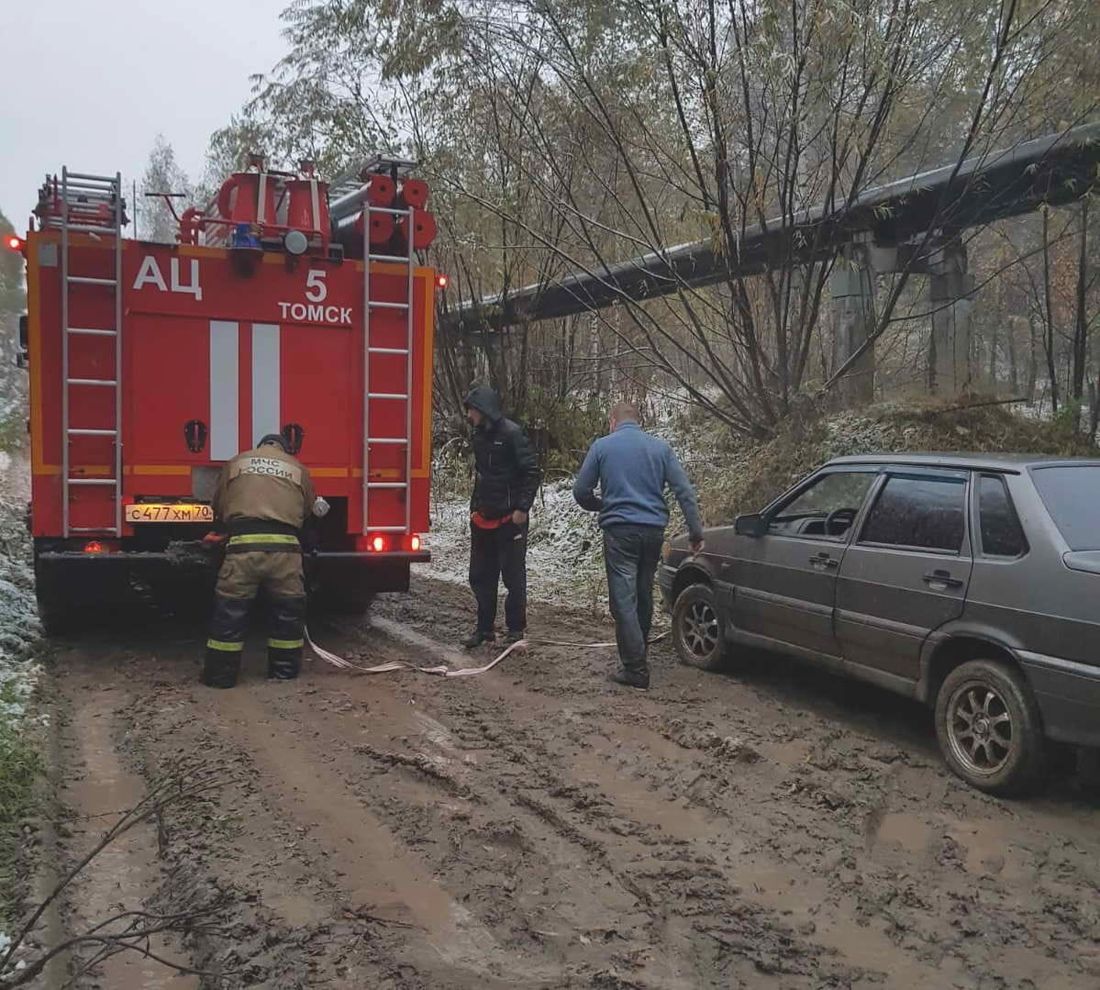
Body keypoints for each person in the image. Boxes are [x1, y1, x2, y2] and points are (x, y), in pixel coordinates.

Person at [573, 402, 704, 689]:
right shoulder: (660, 449)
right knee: (642, 592)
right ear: (639, 421)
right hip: (653, 531)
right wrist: (695, 531)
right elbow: (684, 490)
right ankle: (638, 653)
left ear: (612, 421)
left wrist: (602, 505)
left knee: (623, 599)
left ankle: (635, 668)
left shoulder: (602, 447)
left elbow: (581, 491)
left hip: (620, 531)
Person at [201, 434, 317, 688]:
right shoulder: (297, 467)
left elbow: (219, 504)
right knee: (287, 614)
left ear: (260, 446)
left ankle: (220, 677)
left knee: (230, 613)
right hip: (285, 554)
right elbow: (307, 509)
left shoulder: (237, 462)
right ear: (284, 449)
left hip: (243, 550)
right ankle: (283, 673)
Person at [462, 386, 542, 648]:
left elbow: (531, 471)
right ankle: (484, 629)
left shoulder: (512, 433)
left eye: (472, 410)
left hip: (510, 520)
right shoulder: (478, 435)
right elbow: (481, 474)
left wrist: (522, 508)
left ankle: (515, 629)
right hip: (483, 517)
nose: (469, 415)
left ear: (483, 410)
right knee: (481, 576)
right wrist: (475, 507)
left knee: (513, 577)